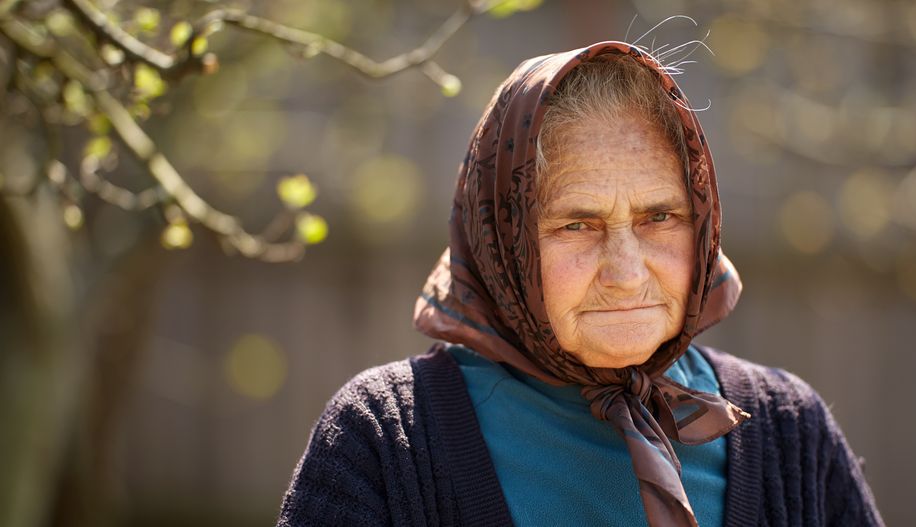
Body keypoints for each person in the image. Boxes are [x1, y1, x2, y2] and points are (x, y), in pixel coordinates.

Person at [276, 41, 883, 527]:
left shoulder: (788, 434)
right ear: (503, 244)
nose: (625, 274)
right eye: (576, 224)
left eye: (660, 218)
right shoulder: (387, 442)